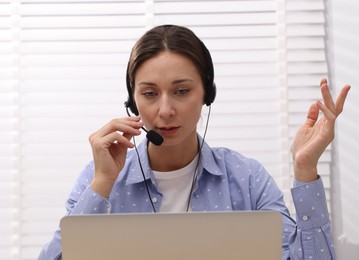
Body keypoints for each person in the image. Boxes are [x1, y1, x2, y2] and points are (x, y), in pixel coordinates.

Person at [38, 24, 350, 260]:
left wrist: (305, 170)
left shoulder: (247, 179)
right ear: (132, 103)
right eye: (149, 94)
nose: (165, 110)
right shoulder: (99, 178)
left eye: (182, 91)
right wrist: (103, 182)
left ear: (207, 95)